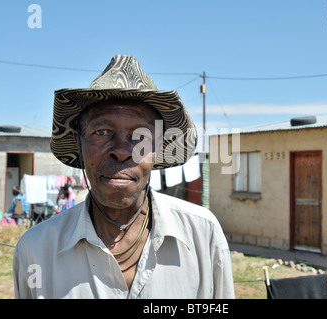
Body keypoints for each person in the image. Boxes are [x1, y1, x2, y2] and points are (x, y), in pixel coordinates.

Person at [13, 55, 234, 299]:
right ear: (79, 142)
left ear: (158, 146)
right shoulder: (36, 250)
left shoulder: (203, 233)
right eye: (102, 131)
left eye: (140, 136)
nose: (120, 150)